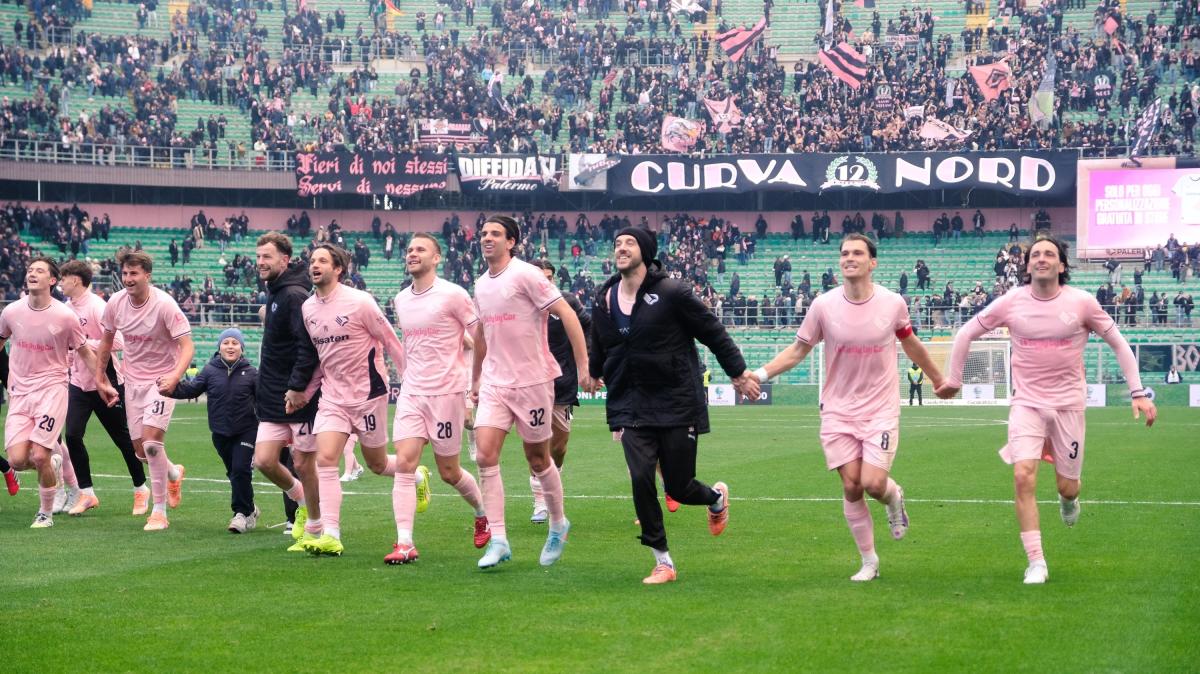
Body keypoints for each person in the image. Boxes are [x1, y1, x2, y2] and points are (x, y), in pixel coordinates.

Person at [936, 237, 1156, 584]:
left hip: (1069, 405)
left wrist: (1137, 392)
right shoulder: (1011, 302)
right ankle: (1036, 561)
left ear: (1061, 265)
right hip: (1027, 403)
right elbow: (965, 333)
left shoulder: (1081, 303)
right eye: (1035, 254)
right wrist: (954, 379)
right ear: (1026, 265)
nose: (1041, 258)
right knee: (1023, 474)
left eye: (1049, 254)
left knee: (1068, 487)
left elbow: (1118, 342)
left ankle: (1068, 501)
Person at [751, 234, 946, 582]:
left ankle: (893, 497)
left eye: (857, 253)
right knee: (852, 486)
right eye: (844, 253)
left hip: (880, 409)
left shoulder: (892, 303)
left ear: (873, 262)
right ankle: (869, 561)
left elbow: (912, 344)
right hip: (837, 411)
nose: (849, 258)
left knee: (873, 483)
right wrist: (761, 373)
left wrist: (936, 378)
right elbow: (798, 350)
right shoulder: (823, 306)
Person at [586, 228, 754, 585]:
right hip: (630, 404)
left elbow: (712, 331)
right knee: (641, 476)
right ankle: (663, 560)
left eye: (629, 243)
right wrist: (592, 371)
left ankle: (715, 499)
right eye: (617, 243)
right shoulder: (603, 298)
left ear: (645, 251)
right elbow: (600, 344)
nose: (621, 248)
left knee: (679, 486)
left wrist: (737, 372)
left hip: (676, 400)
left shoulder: (672, 292)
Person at [470, 215, 592, 569]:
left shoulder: (527, 274)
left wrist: (583, 366)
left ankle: (557, 523)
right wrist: (475, 379)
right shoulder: (480, 284)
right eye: (484, 234)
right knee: (484, 455)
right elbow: (481, 335)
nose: (487, 238)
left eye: (495, 234)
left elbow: (567, 313)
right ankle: (499, 539)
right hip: (495, 382)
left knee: (538, 459)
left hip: (533, 381)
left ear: (511, 242)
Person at [297, 244, 407, 557]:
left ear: (338, 269)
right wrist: (306, 392)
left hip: (368, 393)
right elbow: (321, 357)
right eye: (312, 260)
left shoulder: (360, 302)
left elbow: (390, 341)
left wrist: (409, 382)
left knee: (377, 463)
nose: (314, 265)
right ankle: (331, 533)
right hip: (332, 397)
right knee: (326, 458)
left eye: (322, 261)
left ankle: (413, 471)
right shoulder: (308, 309)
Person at [385, 233, 489, 565]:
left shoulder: (454, 295)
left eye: (420, 249)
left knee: (449, 471)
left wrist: (476, 378)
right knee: (404, 463)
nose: (412, 254)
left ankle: (481, 512)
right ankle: (404, 543)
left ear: (437, 258)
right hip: (412, 391)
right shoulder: (401, 299)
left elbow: (479, 334)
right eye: (410, 249)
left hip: (447, 393)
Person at [95, 251, 192, 532]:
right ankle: (173, 472)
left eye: (134, 273)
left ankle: (159, 512)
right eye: (125, 273)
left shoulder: (165, 305)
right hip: (132, 381)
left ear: (147, 275)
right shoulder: (115, 303)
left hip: (161, 381)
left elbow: (187, 347)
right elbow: (105, 342)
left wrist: (175, 376)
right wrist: (101, 378)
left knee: (151, 443)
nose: (128, 279)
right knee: (140, 450)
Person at [0, 257, 99, 528]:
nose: (32, 273)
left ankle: (45, 513)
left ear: (52, 280)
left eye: (39, 271)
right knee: (18, 460)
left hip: (52, 389)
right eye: (30, 269)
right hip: (20, 392)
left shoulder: (66, 317)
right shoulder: (11, 312)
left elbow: (84, 351)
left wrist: (101, 383)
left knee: (41, 454)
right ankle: (51, 466)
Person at [59, 260, 148, 516]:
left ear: (75, 280)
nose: (61, 283)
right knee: (74, 435)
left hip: (106, 381)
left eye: (64, 278)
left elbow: (119, 342)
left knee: (123, 439)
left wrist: (84, 343)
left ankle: (140, 488)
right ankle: (87, 493)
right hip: (78, 383)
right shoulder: (65, 309)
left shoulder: (99, 307)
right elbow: (69, 347)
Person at [252, 232, 323, 552]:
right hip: (272, 397)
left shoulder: (293, 295)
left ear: (284, 259)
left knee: (306, 464)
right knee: (264, 460)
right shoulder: (277, 292)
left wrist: (297, 388)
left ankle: (316, 527)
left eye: (267, 257)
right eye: (258, 257)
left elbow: (306, 347)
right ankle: (301, 500)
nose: (260, 263)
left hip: (297, 399)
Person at [162, 329, 261, 533]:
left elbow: (264, 400)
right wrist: (170, 388)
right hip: (220, 432)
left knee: (241, 470)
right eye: (226, 343)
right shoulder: (209, 370)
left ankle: (240, 515)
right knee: (234, 473)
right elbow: (192, 389)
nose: (230, 346)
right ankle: (250, 508)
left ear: (242, 348)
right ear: (219, 347)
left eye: (235, 343)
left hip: (246, 431)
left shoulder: (252, 372)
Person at [527, 259, 591, 524]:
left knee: (560, 446)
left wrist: (587, 364)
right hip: (530, 382)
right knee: (536, 443)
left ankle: (552, 479)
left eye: (549, 277)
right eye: (541, 277)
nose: (546, 282)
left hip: (563, 383)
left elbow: (587, 326)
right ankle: (540, 501)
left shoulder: (567, 302)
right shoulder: (520, 303)